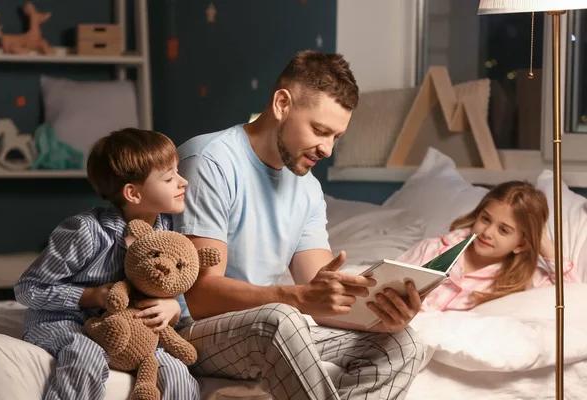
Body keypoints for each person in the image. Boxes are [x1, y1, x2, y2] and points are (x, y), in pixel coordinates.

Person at [173, 50, 423, 400]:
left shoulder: (307, 188)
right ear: (281, 104)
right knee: (281, 318)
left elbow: (320, 293)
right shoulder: (209, 161)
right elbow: (199, 296)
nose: (327, 149)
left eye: (336, 137)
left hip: (260, 329)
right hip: (191, 331)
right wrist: (292, 298)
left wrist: (384, 317)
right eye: (320, 130)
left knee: (403, 343)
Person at [14, 128, 199, 400]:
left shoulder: (169, 234)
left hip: (132, 331)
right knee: (86, 355)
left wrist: (173, 306)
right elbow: (28, 289)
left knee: (175, 372)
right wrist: (91, 296)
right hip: (65, 321)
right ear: (133, 194)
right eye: (170, 178)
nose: (183, 182)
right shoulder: (84, 231)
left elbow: (176, 283)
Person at [397, 180, 581, 311]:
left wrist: (542, 241)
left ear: (521, 243)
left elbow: (575, 298)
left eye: (504, 230)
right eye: (485, 219)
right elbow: (387, 282)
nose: (487, 232)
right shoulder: (432, 249)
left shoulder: (522, 280)